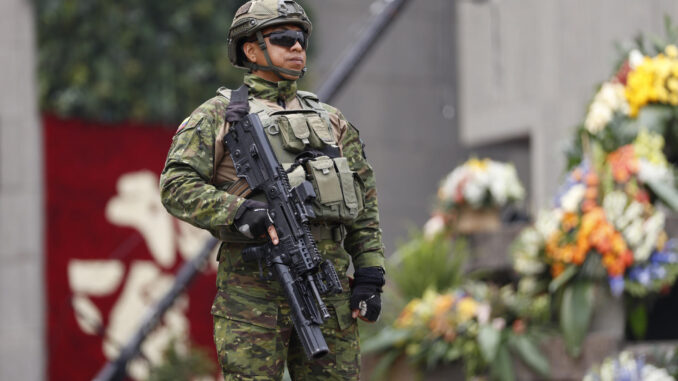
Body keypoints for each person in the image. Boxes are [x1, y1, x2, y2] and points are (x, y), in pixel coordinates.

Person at [159, 0, 385, 379]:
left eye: (301, 39)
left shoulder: (330, 120)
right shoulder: (218, 115)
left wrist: (369, 274)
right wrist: (238, 212)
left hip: (327, 285)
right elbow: (176, 185)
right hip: (254, 292)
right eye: (283, 38)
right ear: (251, 49)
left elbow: (364, 202)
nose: (297, 47)